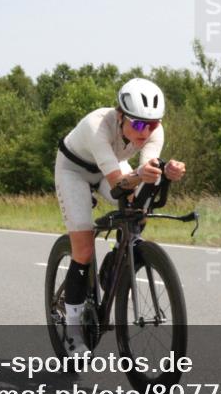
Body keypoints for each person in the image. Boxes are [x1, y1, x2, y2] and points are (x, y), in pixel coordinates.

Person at [55, 78, 186, 354]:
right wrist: (139, 175)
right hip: (74, 171)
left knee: (138, 206)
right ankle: (73, 329)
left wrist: (165, 171)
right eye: (138, 124)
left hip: (110, 166)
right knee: (84, 247)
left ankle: (118, 258)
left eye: (152, 124)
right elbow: (117, 184)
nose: (146, 131)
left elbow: (146, 170)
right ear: (120, 116)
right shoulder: (97, 126)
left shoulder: (153, 132)